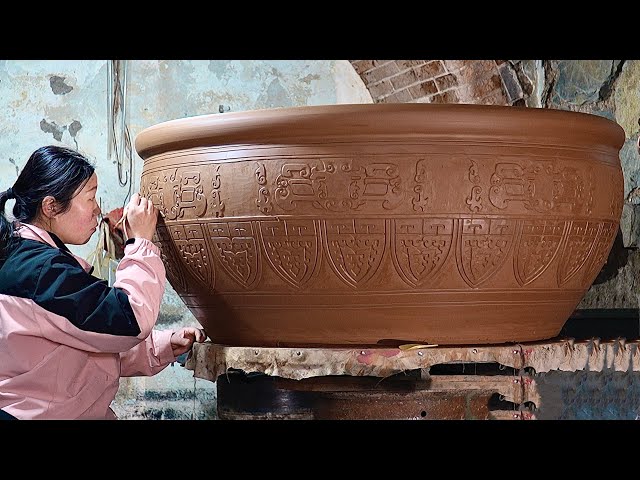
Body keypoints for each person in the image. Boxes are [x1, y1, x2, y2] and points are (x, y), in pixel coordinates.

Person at [0, 145, 206, 420]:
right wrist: (140, 243)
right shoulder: (42, 272)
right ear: (51, 207)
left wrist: (163, 346)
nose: (98, 209)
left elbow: (78, 344)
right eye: (90, 198)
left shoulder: (23, 256)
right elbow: (129, 319)